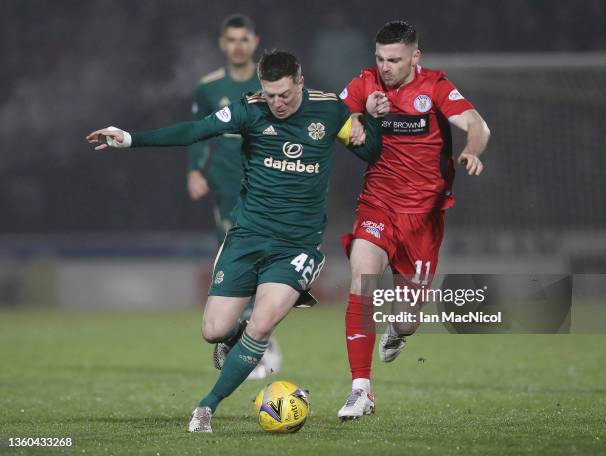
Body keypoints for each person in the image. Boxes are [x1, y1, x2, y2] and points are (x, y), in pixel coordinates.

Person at [86, 50, 389, 433]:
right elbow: (196, 131)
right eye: (269, 94)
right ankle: (239, 340)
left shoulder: (329, 111)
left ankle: (205, 408)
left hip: (296, 245)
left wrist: (375, 121)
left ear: (300, 82)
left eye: (284, 94)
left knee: (261, 324)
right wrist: (130, 139)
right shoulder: (250, 109)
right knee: (213, 330)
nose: (276, 103)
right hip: (247, 237)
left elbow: (370, 152)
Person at [336, 21, 491, 419]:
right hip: (378, 204)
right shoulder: (367, 83)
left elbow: (477, 124)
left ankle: (398, 332)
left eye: (394, 60)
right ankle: (360, 389)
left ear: (415, 58)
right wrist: (357, 117)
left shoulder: (436, 87)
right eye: (380, 58)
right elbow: (332, 113)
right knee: (362, 279)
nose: (385, 67)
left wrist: (472, 149)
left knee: (405, 321)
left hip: (423, 218)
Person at [187, 13, 279, 380]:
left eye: (245, 39)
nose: (238, 45)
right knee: (235, 254)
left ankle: (260, 333)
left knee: (268, 254)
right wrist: (195, 169)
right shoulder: (208, 88)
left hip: (267, 181)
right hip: (227, 185)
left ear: (255, 42)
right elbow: (199, 132)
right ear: (222, 44)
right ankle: (245, 333)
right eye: (232, 39)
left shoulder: (270, 85)